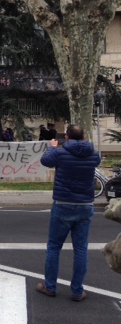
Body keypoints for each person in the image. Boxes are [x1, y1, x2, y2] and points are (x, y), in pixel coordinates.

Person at [37, 124, 100, 302]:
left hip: (63, 203)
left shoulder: (59, 153)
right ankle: (77, 291)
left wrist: (52, 147)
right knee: (81, 249)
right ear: (84, 137)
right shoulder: (94, 154)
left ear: (67, 137)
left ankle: (50, 287)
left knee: (54, 247)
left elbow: (45, 161)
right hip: (86, 205)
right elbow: (96, 162)